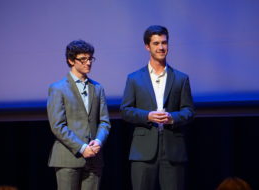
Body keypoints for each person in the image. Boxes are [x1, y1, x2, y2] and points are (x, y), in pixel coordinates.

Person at [120, 25, 195, 190]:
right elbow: (125, 110)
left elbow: (189, 111)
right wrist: (148, 116)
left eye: (164, 43)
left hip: (172, 150)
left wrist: (172, 118)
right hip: (143, 150)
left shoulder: (181, 78)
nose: (161, 47)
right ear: (147, 46)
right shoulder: (134, 78)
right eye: (156, 43)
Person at [47, 39, 111, 190]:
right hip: (68, 159)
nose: (88, 63)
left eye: (90, 59)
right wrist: (82, 148)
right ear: (71, 60)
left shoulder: (97, 88)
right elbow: (57, 126)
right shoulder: (58, 89)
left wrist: (98, 142)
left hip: (94, 159)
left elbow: (104, 122)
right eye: (83, 59)